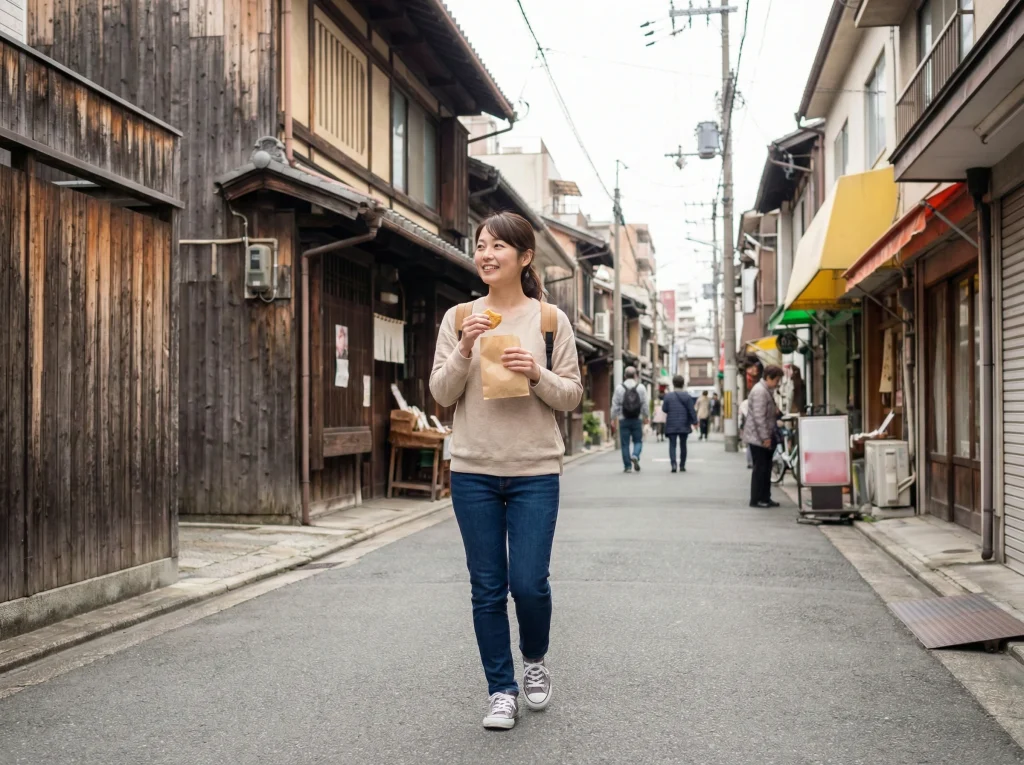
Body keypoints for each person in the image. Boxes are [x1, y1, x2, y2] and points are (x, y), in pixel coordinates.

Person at [429, 211, 583, 730]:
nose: (486, 254)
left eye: (498, 246)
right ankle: (501, 689)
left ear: (524, 257)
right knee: (487, 588)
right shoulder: (457, 319)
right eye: (480, 245)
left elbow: (571, 394)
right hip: (472, 470)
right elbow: (441, 394)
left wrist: (535, 372)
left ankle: (534, 660)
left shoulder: (549, 320)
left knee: (530, 584)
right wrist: (467, 347)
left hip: (536, 470)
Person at [743, 364, 784, 508]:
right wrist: (765, 438)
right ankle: (757, 499)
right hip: (758, 437)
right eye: (777, 380)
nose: (777, 383)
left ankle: (765, 497)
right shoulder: (761, 391)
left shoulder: (765, 390)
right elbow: (759, 417)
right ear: (768, 378)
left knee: (766, 468)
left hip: (760, 435)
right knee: (760, 469)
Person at [612, 366, 649, 473]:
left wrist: (613, 417)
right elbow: (645, 404)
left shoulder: (619, 388)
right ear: (635, 376)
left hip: (623, 419)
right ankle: (635, 455)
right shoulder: (641, 387)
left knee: (625, 443)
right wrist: (646, 416)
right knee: (638, 440)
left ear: (624, 376)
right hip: (637, 418)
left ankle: (627, 466)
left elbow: (615, 404)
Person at [662, 375, 698, 472]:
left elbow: (664, 409)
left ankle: (673, 465)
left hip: (671, 423)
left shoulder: (668, 396)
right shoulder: (687, 396)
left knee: (672, 445)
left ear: (673, 384)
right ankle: (682, 465)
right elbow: (692, 410)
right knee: (683, 444)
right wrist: (695, 422)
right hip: (684, 423)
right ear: (683, 384)